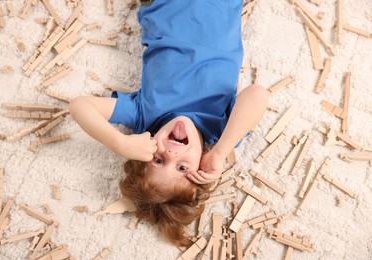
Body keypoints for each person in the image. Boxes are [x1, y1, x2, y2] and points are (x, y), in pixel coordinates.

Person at [69, 0, 269, 247]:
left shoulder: (144, 116)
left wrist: (120, 143)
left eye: (159, 160)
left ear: (143, 151)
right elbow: (258, 95)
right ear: (201, 165)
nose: (172, 152)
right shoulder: (221, 129)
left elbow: (79, 106)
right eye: (182, 168)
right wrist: (220, 152)